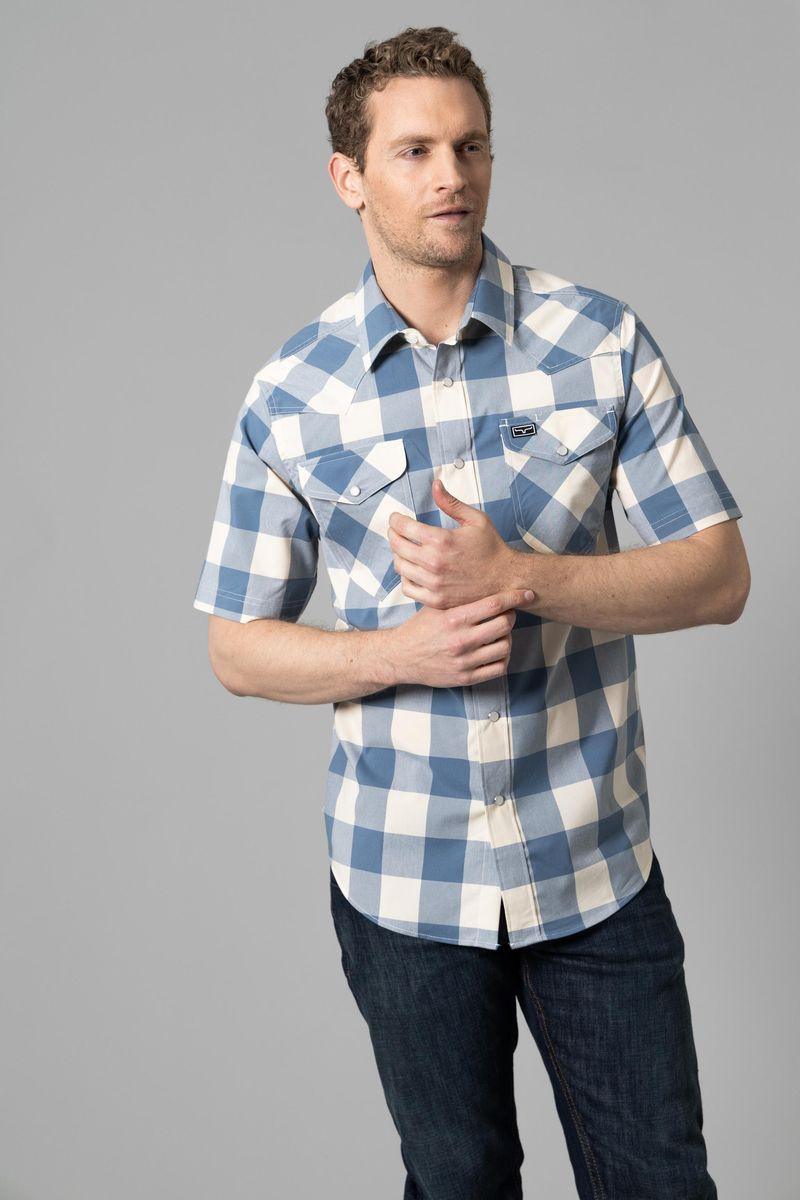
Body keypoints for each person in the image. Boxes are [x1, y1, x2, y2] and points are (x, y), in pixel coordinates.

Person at [192, 24, 750, 1200]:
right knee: (456, 1185)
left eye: (470, 145)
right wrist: (398, 650)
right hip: (401, 884)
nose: (450, 174)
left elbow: (716, 576)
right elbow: (236, 648)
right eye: (413, 151)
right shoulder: (291, 393)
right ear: (348, 177)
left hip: (593, 864)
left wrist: (520, 577)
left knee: (659, 1182)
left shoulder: (599, 342)